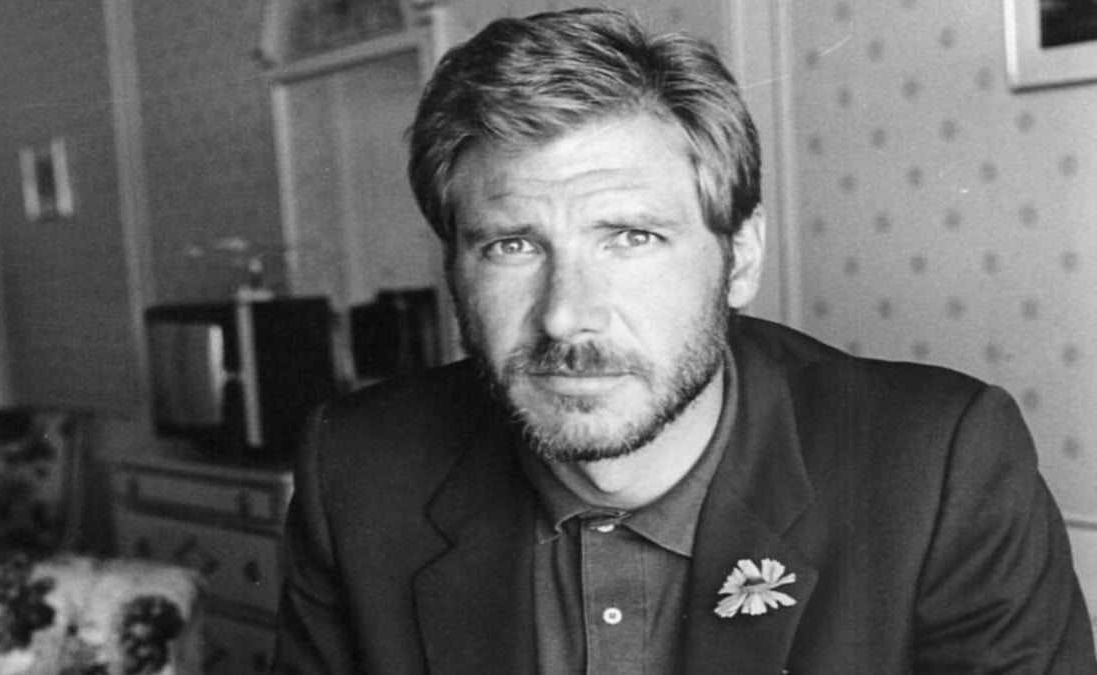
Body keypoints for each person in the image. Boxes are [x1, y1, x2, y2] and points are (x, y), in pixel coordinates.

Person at [271, 8, 1096, 674]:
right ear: (454, 268)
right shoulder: (358, 469)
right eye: (512, 245)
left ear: (739, 259)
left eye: (630, 237)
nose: (566, 316)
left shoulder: (935, 465)